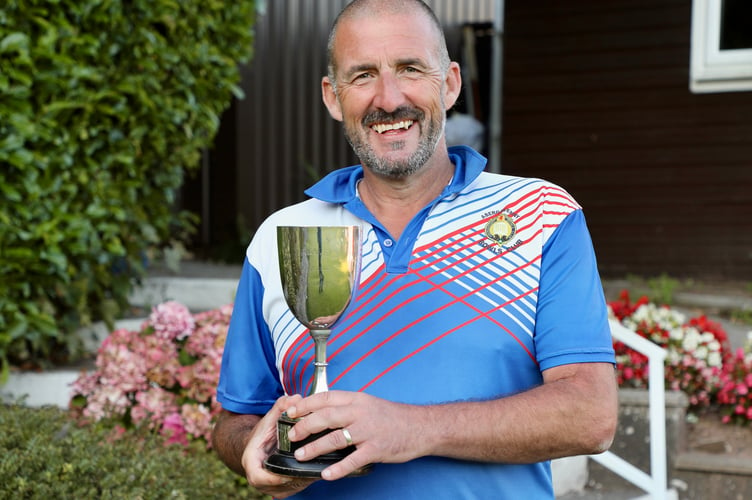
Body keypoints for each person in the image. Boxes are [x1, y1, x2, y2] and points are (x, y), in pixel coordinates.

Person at [212, 0, 618, 498]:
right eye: (362, 75)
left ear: (449, 83)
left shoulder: (542, 213)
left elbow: (591, 415)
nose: (388, 99)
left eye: (409, 69)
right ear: (333, 97)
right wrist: (250, 446)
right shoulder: (281, 237)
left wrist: (411, 429)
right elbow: (235, 419)